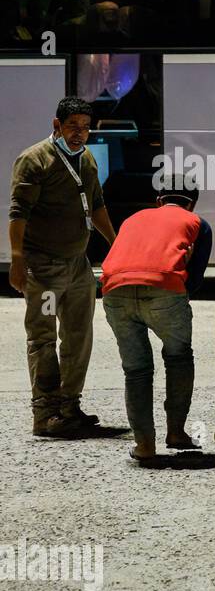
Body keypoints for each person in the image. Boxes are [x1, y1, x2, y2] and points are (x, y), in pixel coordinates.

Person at [9, 96, 117, 436]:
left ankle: (69, 406)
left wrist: (117, 245)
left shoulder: (85, 159)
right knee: (43, 338)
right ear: (57, 125)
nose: (79, 134)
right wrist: (16, 259)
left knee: (78, 336)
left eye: (85, 128)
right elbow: (18, 214)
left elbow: (96, 205)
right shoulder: (33, 160)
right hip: (44, 268)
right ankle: (44, 414)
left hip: (77, 267)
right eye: (73, 127)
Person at [99, 176, 210, 460]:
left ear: (158, 201)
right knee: (178, 357)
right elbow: (195, 279)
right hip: (164, 287)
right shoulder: (198, 223)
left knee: (136, 371)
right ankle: (176, 432)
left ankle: (144, 445)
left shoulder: (133, 219)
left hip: (114, 289)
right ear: (192, 203)